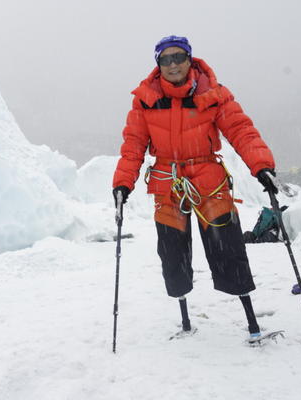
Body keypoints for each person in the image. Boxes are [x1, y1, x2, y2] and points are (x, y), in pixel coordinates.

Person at [112, 35, 278, 341]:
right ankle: (185, 319)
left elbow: (241, 130)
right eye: (166, 59)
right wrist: (123, 182)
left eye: (179, 58)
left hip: (208, 179)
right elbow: (133, 145)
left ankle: (252, 323)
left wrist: (261, 165)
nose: (173, 64)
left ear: (190, 60)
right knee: (172, 253)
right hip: (166, 181)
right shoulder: (145, 98)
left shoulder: (213, 93)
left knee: (228, 249)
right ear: (158, 64)